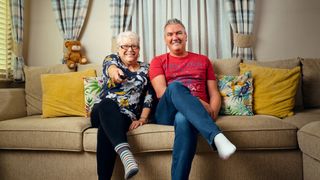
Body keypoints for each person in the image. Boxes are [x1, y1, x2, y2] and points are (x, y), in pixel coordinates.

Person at [149, 18, 236, 180]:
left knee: (183, 119)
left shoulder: (203, 60)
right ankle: (217, 136)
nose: (175, 37)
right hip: (166, 112)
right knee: (175, 87)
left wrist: (213, 113)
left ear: (186, 36)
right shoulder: (158, 61)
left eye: (179, 33)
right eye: (170, 34)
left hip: (194, 114)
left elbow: (214, 93)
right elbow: (161, 92)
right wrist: (197, 102)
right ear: (165, 39)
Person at [90, 31, 153, 180]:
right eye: (125, 46)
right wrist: (116, 74)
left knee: (106, 130)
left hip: (126, 116)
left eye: (134, 46)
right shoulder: (112, 59)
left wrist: (143, 118)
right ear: (118, 48)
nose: (130, 49)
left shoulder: (147, 69)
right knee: (107, 103)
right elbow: (111, 69)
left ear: (139, 49)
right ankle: (126, 155)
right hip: (101, 111)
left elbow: (149, 96)